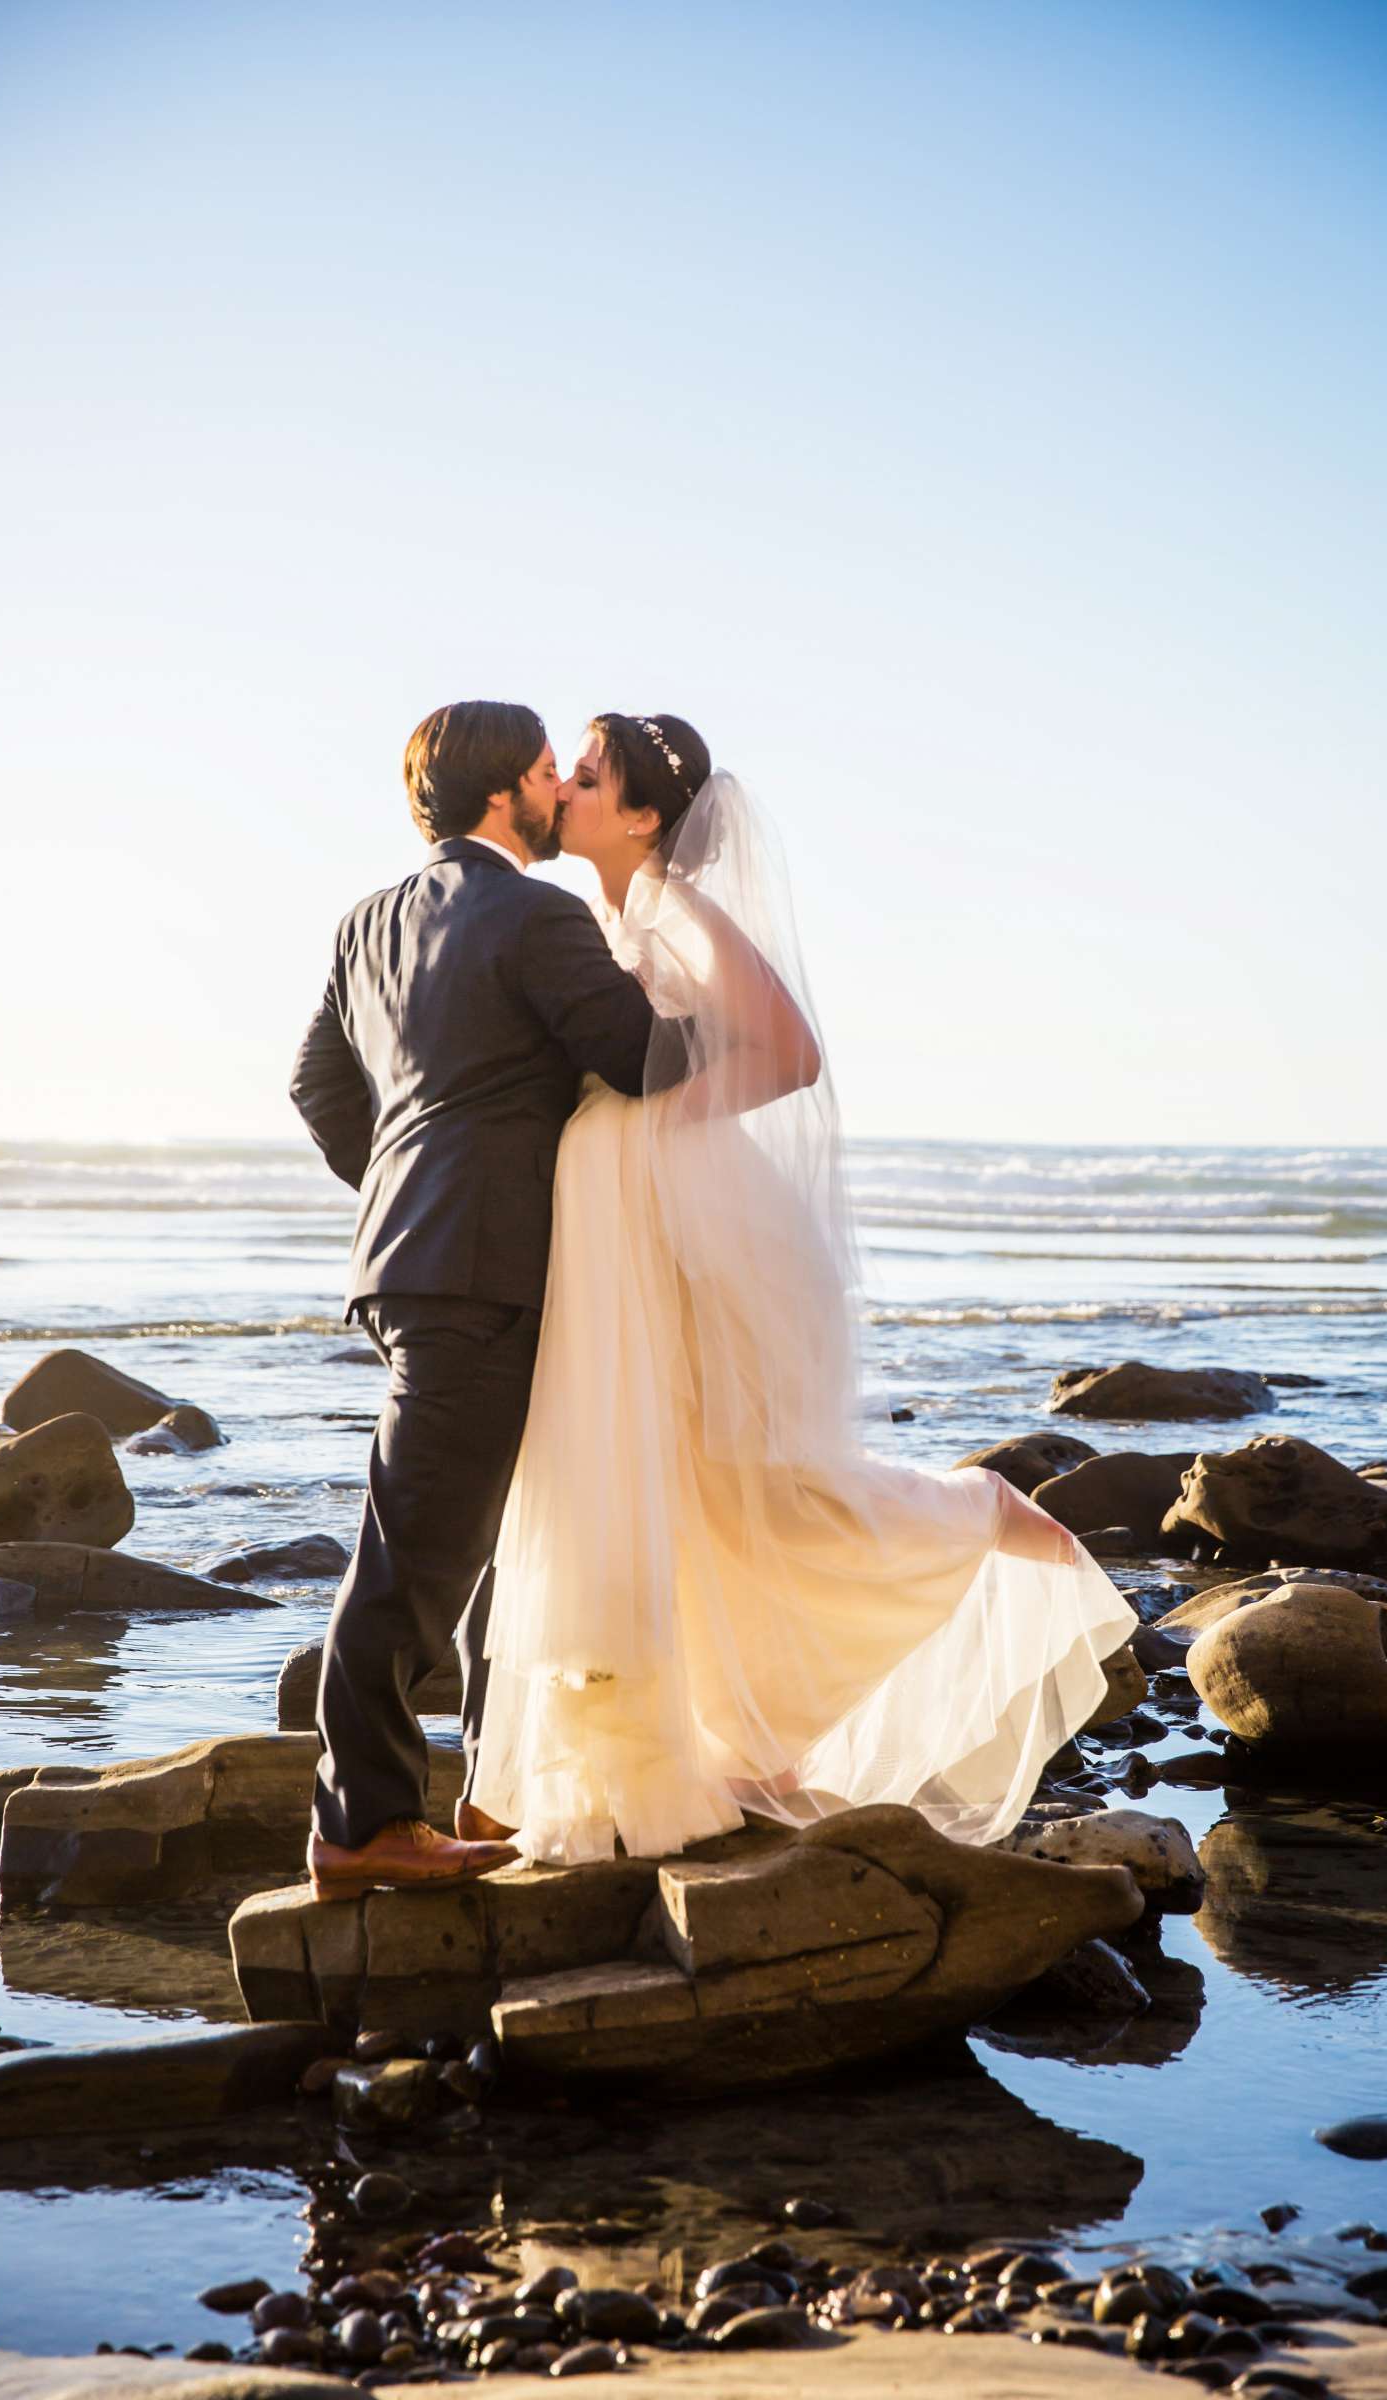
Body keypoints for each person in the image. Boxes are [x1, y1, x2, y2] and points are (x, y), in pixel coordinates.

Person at [460, 714, 1140, 1865]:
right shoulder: (599, 918)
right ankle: (742, 1748)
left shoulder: (676, 908)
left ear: (638, 815)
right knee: (677, 1491)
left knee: (755, 1480)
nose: (561, 790)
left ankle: (982, 1518)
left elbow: (789, 1051)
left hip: (690, 1230)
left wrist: (653, 1127)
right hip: (628, 1236)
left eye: (585, 777)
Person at [289, 699, 667, 1896]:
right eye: (552, 773)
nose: (562, 791)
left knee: (491, 1538)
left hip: (420, 1256)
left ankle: (484, 1785)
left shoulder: (368, 923)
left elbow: (314, 1085)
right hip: (478, 1265)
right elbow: (645, 1056)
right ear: (504, 791)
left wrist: (403, 1180)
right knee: (417, 1550)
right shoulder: (534, 913)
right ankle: (361, 1824)